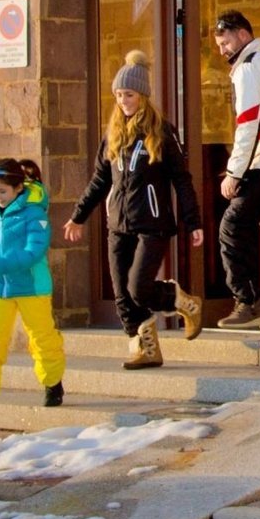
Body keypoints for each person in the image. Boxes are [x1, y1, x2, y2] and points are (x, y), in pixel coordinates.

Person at [65, 51, 207, 369]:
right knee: (122, 295)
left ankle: (181, 301)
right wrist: (78, 215)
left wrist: (192, 220)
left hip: (152, 223)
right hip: (118, 224)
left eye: (128, 94)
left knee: (138, 287)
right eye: (118, 95)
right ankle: (145, 349)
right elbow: (99, 181)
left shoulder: (162, 133)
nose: (123, 100)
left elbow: (181, 180)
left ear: (142, 95)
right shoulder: (113, 135)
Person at [0, 158, 65, 420]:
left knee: (42, 338)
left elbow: (33, 252)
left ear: (18, 188)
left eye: (2, 191)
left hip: (32, 287)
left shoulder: (34, 213)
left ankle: (52, 383)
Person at [211, 10, 260, 330]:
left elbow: (249, 122)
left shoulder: (250, 66)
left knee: (231, 227)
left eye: (225, 42)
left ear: (242, 35)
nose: (222, 50)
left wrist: (234, 173)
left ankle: (247, 302)